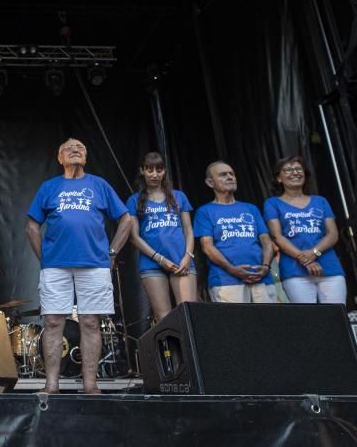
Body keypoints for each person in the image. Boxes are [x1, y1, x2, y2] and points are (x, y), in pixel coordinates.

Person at [25, 138, 134, 394]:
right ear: (59, 158)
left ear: (86, 157)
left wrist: (112, 252)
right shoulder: (49, 187)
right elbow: (31, 225)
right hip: (55, 266)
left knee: (90, 322)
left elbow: (126, 220)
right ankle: (51, 385)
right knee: (52, 322)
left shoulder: (99, 185)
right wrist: (44, 257)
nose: (76, 150)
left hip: (94, 264)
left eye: (81, 148)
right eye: (69, 148)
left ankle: (90, 384)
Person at [263, 156, 346, 304]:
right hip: (295, 272)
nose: (294, 172)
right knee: (309, 321)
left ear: (305, 175)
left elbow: (333, 234)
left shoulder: (320, 201)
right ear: (279, 178)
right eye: (288, 170)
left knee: (336, 319)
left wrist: (314, 253)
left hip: (330, 269)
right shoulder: (272, 203)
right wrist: (305, 260)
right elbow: (277, 237)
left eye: (298, 169)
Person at [126, 152, 196, 322]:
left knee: (188, 312)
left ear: (164, 171)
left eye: (159, 169)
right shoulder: (134, 200)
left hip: (181, 261)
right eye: (149, 170)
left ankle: (190, 349)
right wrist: (159, 258)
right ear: (142, 171)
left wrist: (188, 256)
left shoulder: (178, 196)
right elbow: (134, 237)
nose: (155, 174)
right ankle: (172, 350)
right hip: (152, 264)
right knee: (164, 317)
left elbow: (188, 230)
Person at [193, 161, 276, 303]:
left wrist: (266, 267)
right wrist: (232, 269)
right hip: (226, 281)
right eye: (223, 175)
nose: (230, 177)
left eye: (232, 174)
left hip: (261, 278)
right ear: (210, 182)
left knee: (269, 324)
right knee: (235, 325)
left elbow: (266, 241)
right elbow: (207, 247)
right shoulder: (205, 211)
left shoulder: (251, 208)